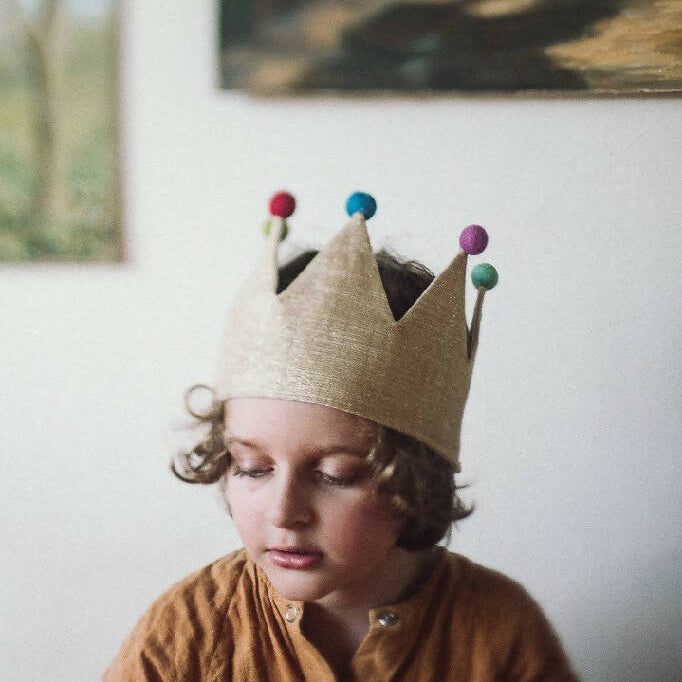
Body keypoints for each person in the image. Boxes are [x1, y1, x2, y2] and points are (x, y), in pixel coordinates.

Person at [103, 192, 577, 681]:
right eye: (252, 468)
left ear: (416, 483)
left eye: (336, 475)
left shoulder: (501, 630)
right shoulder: (186, 632)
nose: (284, 512)